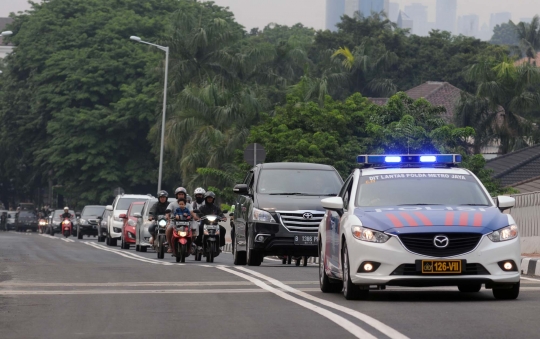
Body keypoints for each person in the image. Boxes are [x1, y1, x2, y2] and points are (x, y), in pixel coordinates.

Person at [166, 187, 192, 254]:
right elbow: (168, 211)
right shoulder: (172, 204)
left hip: (187, 223)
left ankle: (191, 246)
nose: (181, 195)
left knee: (193, 231)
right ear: (176, 195)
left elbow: (192, 213)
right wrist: (168, 216)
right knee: (169, 229)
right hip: (174, 222)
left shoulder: (188, 205)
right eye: (179, 194)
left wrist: (195, 217)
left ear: (185, 195)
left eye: (182, 194)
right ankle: (170, 246)